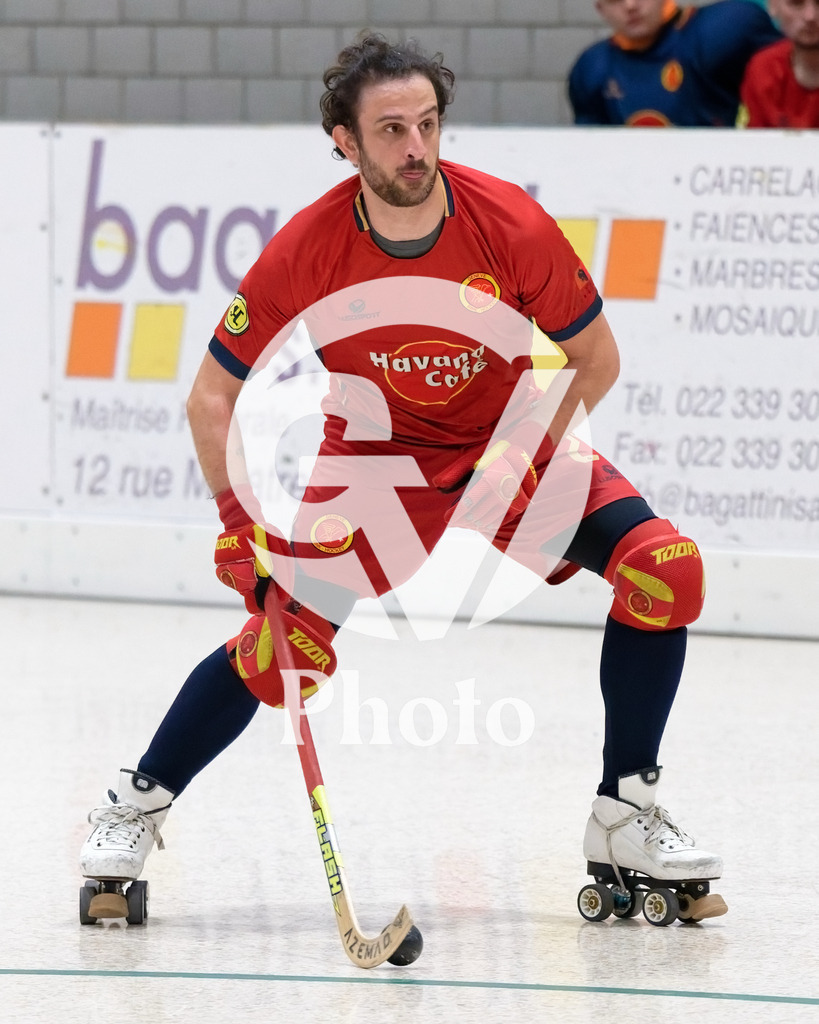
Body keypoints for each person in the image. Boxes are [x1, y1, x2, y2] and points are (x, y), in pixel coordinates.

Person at [79, 34, 726, 927]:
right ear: (343, 141)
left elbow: (594, 358)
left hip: (511, 441)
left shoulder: (510, 225)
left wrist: (518, 455)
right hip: (377, 466)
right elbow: (210, 398)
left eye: (427, 124)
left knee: (667, 569)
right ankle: (134, 806)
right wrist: (236, 524)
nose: (416, 147)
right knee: (284, 651)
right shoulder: (305, 247)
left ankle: (624, 810)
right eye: (390, 130)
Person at [569, 0, 781, 126]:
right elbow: (591, 155)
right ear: (600, 9)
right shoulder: (591, 68)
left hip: (722, 183)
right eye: (614, 0)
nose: (630, 5)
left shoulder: (726, 27)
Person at [740, 0, 819, 127]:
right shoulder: (763, 68)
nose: (810, 16)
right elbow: (752, 142)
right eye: (796, 3)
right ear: (773, 6)